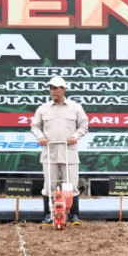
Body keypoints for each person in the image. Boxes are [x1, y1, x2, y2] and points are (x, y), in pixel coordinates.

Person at [31, 76, 88, 226]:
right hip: (49, 152)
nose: (52, 91)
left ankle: (74, 214)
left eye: (55, 88)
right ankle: (48, 215)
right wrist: (41, 136)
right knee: (49, 184)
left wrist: (75, 136)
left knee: (71, 184)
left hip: (69, 152)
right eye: (50, 88)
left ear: (64, 89)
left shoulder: (76, 107)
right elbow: (35, 126)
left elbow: (84, 126)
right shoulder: (43, 108)